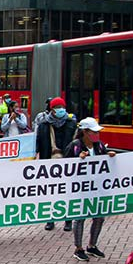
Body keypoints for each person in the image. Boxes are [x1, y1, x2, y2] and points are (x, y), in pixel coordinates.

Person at [65, 118, 116, 261]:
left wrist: (109, 156)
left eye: (97, 132)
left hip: (97, 189)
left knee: (99, 217)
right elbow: (64, 167)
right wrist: (77, 159)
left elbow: (104, 164)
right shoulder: (75, 146)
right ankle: (78, 248)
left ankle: (92, 246)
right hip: (80, 190)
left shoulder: (99, 146)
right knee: (80, 218)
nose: (97, 135)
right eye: (94, 132)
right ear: (85, 132)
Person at [37, 97, 77, 231]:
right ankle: (50, 220)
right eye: (57, 107)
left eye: (62, 107)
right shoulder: (43, 125)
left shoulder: (72, 123)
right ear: (52, 110)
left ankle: (68, 221)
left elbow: (77, 142)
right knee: (51, 193)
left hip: (68, 162)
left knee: (68, 193)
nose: (60, 110)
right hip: (49, 162)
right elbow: (37, 144)